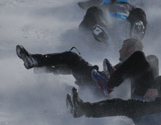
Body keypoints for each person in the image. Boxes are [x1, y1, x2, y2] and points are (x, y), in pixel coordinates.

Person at [66, 60, 161, 121]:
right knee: (125, 101)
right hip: (157, 108)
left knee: (123, 105)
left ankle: (82, 109)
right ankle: (116, 76)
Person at [15, 38, 144, 95]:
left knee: (71, 58)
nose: (119, 50)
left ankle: (36, 61)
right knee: (74, 64)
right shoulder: (128, 65)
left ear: (130, 49)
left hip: (99, 85)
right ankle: (47, 68)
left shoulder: (136, 65)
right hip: (96, 82)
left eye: (122, 47)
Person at [78, 0, 147, 43]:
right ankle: (99, 32)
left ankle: (136, 33)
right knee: (92, 10)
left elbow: (140, 15)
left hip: (126, 28)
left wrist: (138, 19)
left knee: (139, 11)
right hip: (107, 29)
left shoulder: (128, 6)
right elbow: (84, 24)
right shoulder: (99, 8)